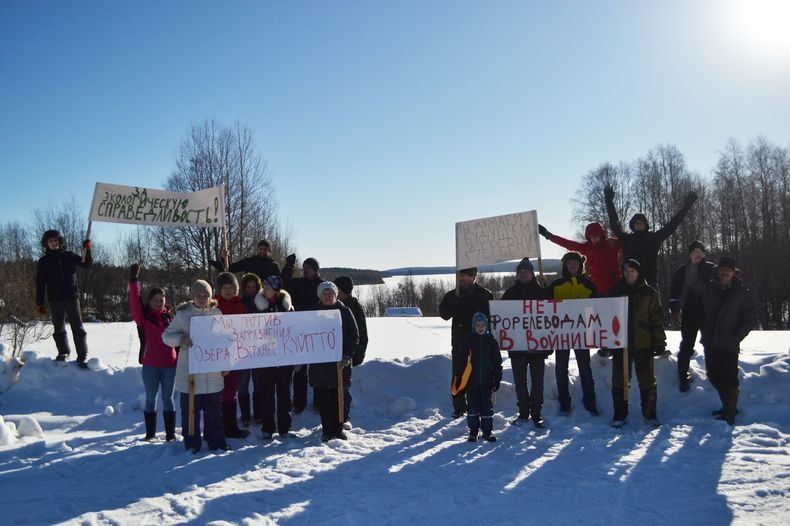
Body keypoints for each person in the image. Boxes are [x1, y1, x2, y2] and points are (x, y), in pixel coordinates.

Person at [163, 280, 229, 453]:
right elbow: (166, 336)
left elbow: (225, 341)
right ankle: (192, 444)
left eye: (205, 295)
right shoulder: (183, 315)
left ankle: (217, 443)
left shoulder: (217, 314)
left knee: (214, 413)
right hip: (190, 375)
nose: (202, 298)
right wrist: (181, 339)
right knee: (190, 413)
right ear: (192, 296)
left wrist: (225, 364)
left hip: (212, 374)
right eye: (198, 295)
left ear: (210, 296)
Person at [608, 260, 666, 428]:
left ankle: (650, 414)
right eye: (626, 271)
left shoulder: (649, 293)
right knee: (619, 380)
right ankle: (620, 414)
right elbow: (607, 317)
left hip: (644, 343)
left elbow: (656, 318)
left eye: (632, 271)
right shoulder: (616, 291)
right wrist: (607, 342)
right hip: (621, 344)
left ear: (638, 273)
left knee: (647, 380)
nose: (629, 274)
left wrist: (659, 340)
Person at [604, 184, 698, 288]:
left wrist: (686, 207)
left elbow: (672, 225)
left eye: (641, 223)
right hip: (629, 283)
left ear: (645, 225)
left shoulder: (653, 238)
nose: (638, 225)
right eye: (636, 223)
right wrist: (609, 202)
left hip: (650, 284)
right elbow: (615, 224)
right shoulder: (627, 239)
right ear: (632, 225)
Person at [701, 257, 757, 426]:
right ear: (718, 271)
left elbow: (749, 318)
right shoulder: (709, 288)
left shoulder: (742, 292)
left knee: (729, 377)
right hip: (710, 341)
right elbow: (701, 310)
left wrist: (736, 335)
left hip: (729, 342)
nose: (725, 272)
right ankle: (727, 406)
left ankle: (730, 412)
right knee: (713, 374)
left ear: (733, 272)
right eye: (722, 269)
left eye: (728, 270)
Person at [128, 263, 178, 442]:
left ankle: (170, 435)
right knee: (151, 399)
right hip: (150, 365)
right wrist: (133, 280)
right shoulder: (143, 318)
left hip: (170, 365)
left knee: (168, 399)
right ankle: (150, 434)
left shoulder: (171, 318)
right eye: (155, 300)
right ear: (150, 301)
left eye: (161, 300)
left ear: (165, 301)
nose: (158, 303)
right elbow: (135, 301)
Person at [501, 258, 552, 428]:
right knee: (520, 383)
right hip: (517, 347)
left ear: (532, 273)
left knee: (537, 383)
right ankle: (523, 413)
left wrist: (549, 343)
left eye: (526, 272)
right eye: (520, 272)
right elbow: (501, 318)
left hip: (538, 346)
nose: (523, 274)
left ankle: (536, 414)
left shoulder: (543, 293)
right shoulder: (509, 294)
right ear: (517, 274)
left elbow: (551, 319)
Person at [439, 267, 494, 418]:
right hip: (460, 342)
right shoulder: (453, 295)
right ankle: (459, 407)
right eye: (459, 275)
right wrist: (452, 302)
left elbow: (493, 318)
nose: (461, 278)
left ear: (473, 276)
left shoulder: (484, 294)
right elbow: (444, 314)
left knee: (477, 375)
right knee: (458, 374)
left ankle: (475, 405)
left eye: (464, 275)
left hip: (480, 343)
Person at [549, 252, 599, 416]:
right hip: (561, 334)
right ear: (565, 265)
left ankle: (590, 402)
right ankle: (564, 403)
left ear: (580, 266)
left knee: (585, 369)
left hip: (582, 334)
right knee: (561, 369)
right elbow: (546, 308)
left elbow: (597, 309)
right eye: (569, 263)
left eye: (575, 263)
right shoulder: (555, 285)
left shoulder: (590, 286)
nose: (572, 266)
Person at [309, 282, 359, 442]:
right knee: (324, 397)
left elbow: (354, 336)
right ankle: (327, 430)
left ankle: (338, 429)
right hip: (320, 363)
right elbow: (305, 333)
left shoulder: (344, 311)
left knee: (339, 397)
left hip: (340, 362)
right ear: (320, 296)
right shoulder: (313, 313)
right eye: (324, 293)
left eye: (330, 293)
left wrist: (347, 356)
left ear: (336, 295)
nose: (327, 296)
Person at [35, 230, 93, 367]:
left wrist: (87, 249)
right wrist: (40, 303)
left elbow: (87, 264)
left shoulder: (69, 256)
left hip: (71, 296)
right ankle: (63, 352)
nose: (54, 243)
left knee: (77, 327)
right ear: (46, 243)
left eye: (56, 240)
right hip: (55, 299)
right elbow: (40, 283)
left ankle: (82, 355)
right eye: (51, 241)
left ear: (59, 241)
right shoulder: (43, 262)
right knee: (59, 327)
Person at [669, 241, 717, 392]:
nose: (697, 253)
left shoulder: (712, 269)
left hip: (708, 314)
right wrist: (675, 312)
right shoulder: (682, 271)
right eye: (694, 251)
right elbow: (674, 293)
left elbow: (720, 289)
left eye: (700, 251)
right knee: (686, 345)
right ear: (689, 254)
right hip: (689, 314)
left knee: (710, 345)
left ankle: (713, 375)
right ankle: (683, 378)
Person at [253, 276, 295, 439]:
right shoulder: (258, 307)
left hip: (285, 358)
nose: (264, 290)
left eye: (268, 287)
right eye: (263, 287)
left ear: (276, 290)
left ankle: (285, 428)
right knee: (267, 394)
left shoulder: (288, 308)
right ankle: (267, 428)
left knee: (285, 394)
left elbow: (296, 329)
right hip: (265, 358)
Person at [282, 255, 324, 413]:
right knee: (300, 369)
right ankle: (299, 403)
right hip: (299, 331)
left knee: (318, 369)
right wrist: (288, 267)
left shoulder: (322, 285)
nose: (305, 270)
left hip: (317, 332)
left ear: (316, 270)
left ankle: (319, 402)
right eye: (304, 267)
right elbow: (284, 283)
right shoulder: (297, 283)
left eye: (309, 268)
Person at [214, 272, 250, 439]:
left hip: (235, 357)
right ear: (219, 289)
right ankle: (217, 427)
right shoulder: (213, 308)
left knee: (231, 392)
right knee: (216, 393)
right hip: (216, 357)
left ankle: (231, 427)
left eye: (231, 287)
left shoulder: (240, 307)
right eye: (224, 287)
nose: (228, 290)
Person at [538, 222, 622, 295]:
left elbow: (627, 242)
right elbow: (568, 244)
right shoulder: (587, 248)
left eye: (596, 235)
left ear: (601, 235)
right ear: (588, 237)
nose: (594, 238)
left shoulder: (612, 245)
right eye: (591, 236)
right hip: (597, 289)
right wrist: (548, 235)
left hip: (614, 287)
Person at [457, 312, 503, 442]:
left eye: (483, 325)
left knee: (486, 405)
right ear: (474, 326)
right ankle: (473, 430)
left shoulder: (491, 342)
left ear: (486, 326)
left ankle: (487, 431)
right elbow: (462, 361)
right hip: (472, 381)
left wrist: (497, 379)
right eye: (478, 325)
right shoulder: (469, 341)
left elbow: (497, 362)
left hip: (487, 380)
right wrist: (461, 377)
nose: (481, 327)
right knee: (473, 405)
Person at [334, 276, 369, 429]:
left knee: (344, 389)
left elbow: (361, 335)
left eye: (337, 289)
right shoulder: (333, 306)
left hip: (348, 356)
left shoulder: (354, 308)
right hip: (334, 354)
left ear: (343, 290)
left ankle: (344, 417)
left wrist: (356, 357)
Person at [238, 273, 263, 426]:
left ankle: (258, 413)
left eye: (254, 287)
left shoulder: (262, 302)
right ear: (244, 288)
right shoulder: (240, 303)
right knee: (243, 383)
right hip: (242, 349)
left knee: (258, 382)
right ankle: (245, 415)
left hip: (259, 349)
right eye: (248, 287)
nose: (251, 289)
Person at [209, 239, 281, 282]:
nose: (262, 251)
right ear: (257, 249)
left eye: (265, 249)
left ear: (269, 251)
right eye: (260, 249)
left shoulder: (274, 266)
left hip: (266, 297)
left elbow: (278, 283)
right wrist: (225, 258)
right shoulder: (250, 262)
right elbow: (231, 268)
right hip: (249, 296)